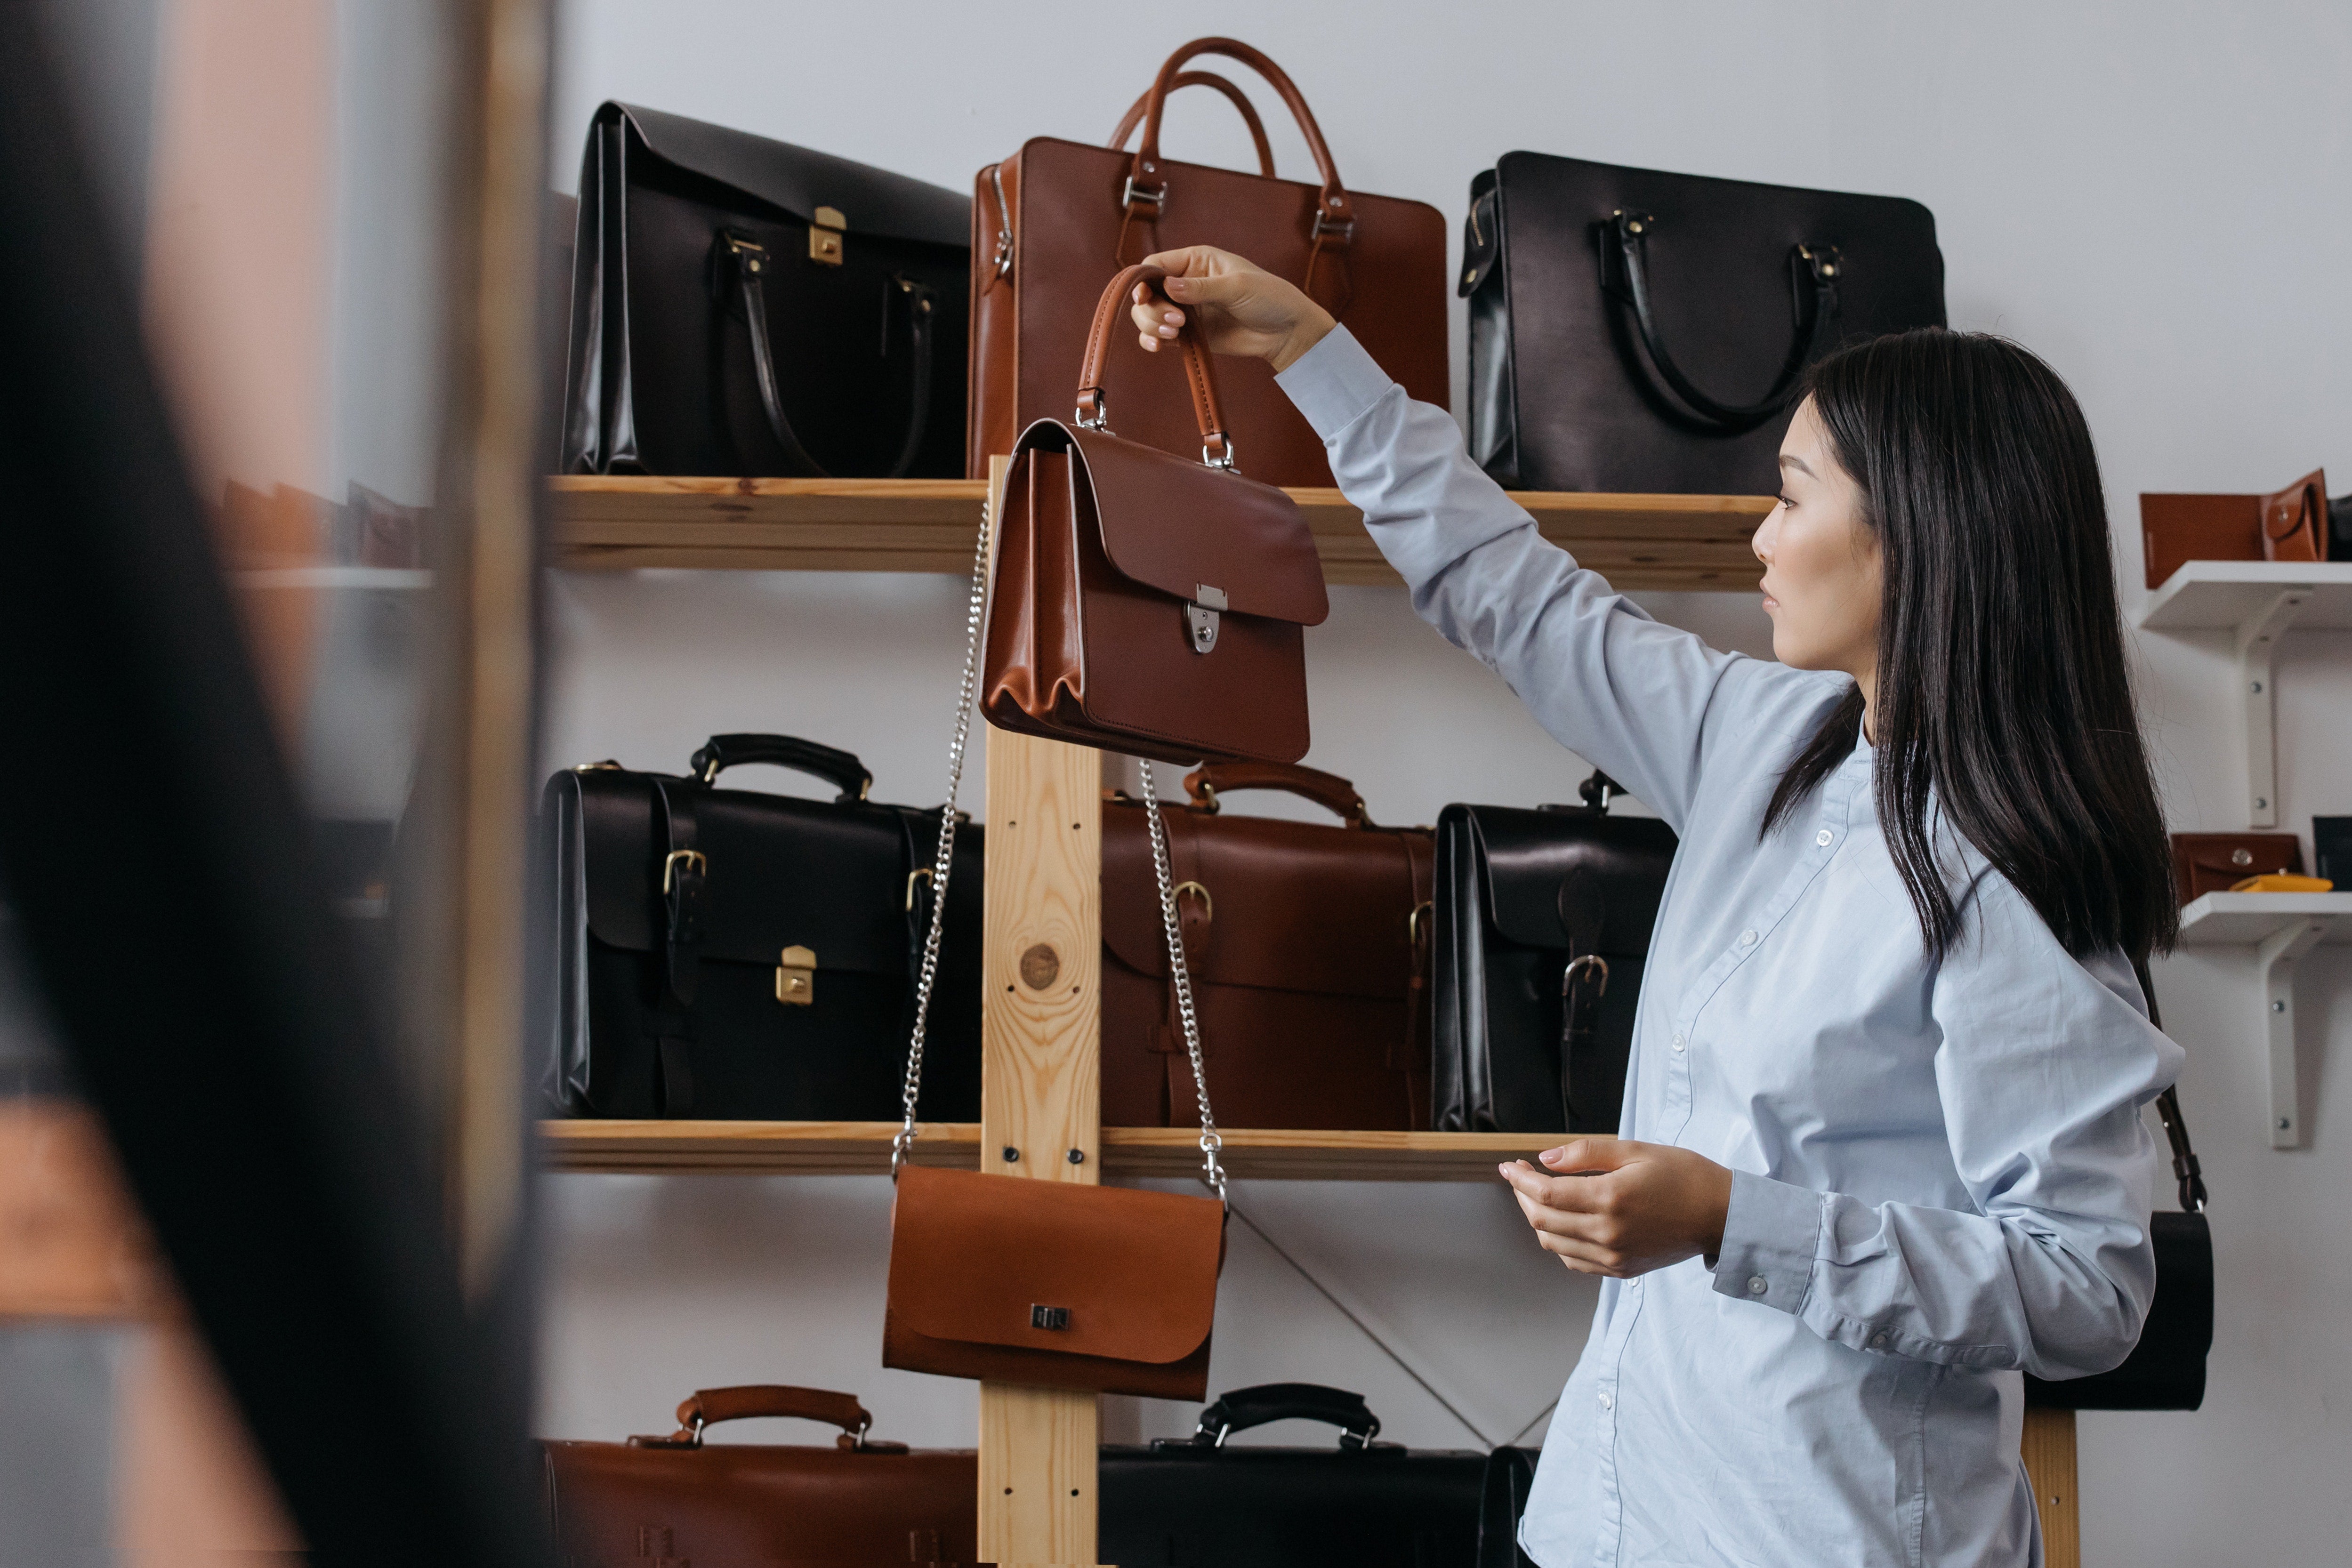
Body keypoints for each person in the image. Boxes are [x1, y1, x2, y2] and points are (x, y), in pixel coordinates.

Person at [1130, 249, 2181, 1568]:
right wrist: (1309, 351)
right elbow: (1515, 598)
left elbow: (2087, 1291)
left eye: (1790, 496)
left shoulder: (2012, 870)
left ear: (1912, 532)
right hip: (1604, 1521)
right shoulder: (1770, 734)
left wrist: (1732, 1219)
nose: (1758, 534)